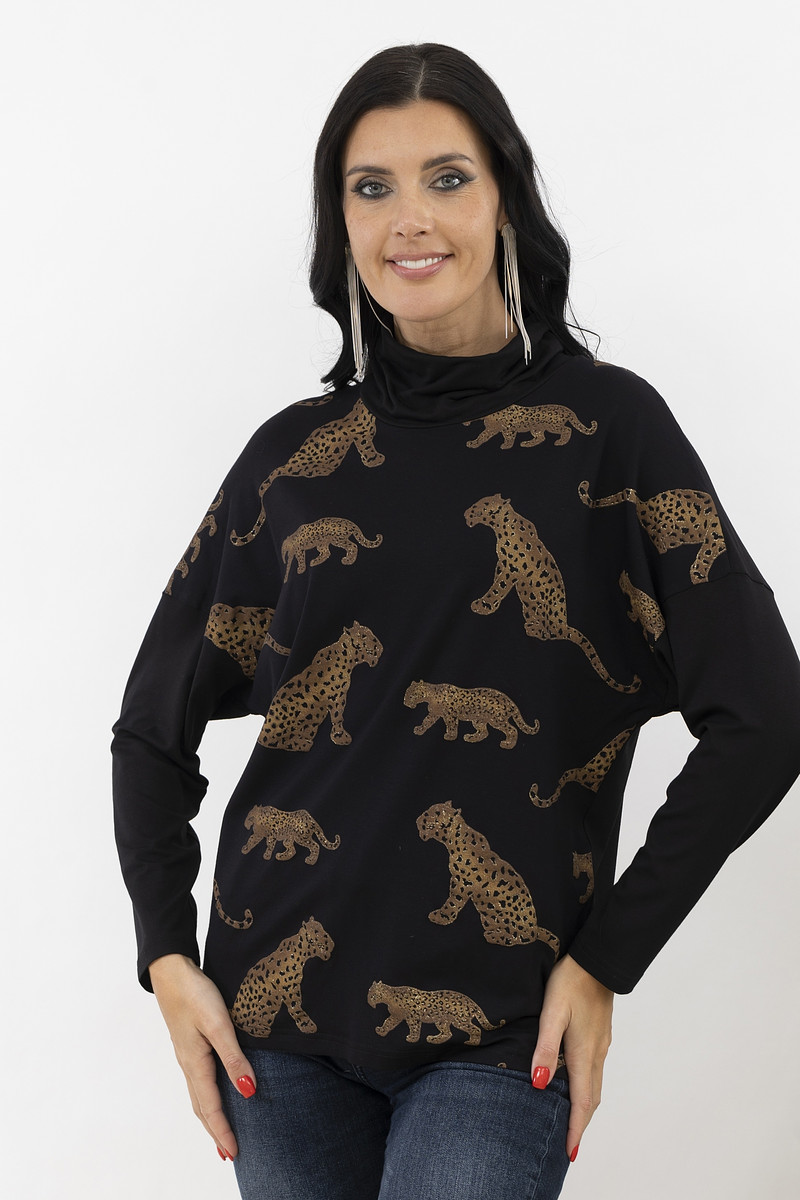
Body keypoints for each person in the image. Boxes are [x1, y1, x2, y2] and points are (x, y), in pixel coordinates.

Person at [112, 42, 800, 1200]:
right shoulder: (291, 458)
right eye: (369, 187)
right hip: (274, 1024)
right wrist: (167, 957)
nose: (409, 219)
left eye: (446, 177)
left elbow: (764, 717)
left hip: (501, 1028)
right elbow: (150, 726)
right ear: (339, 224)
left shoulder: (610, 432)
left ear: (504, 199)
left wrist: (606, 957)